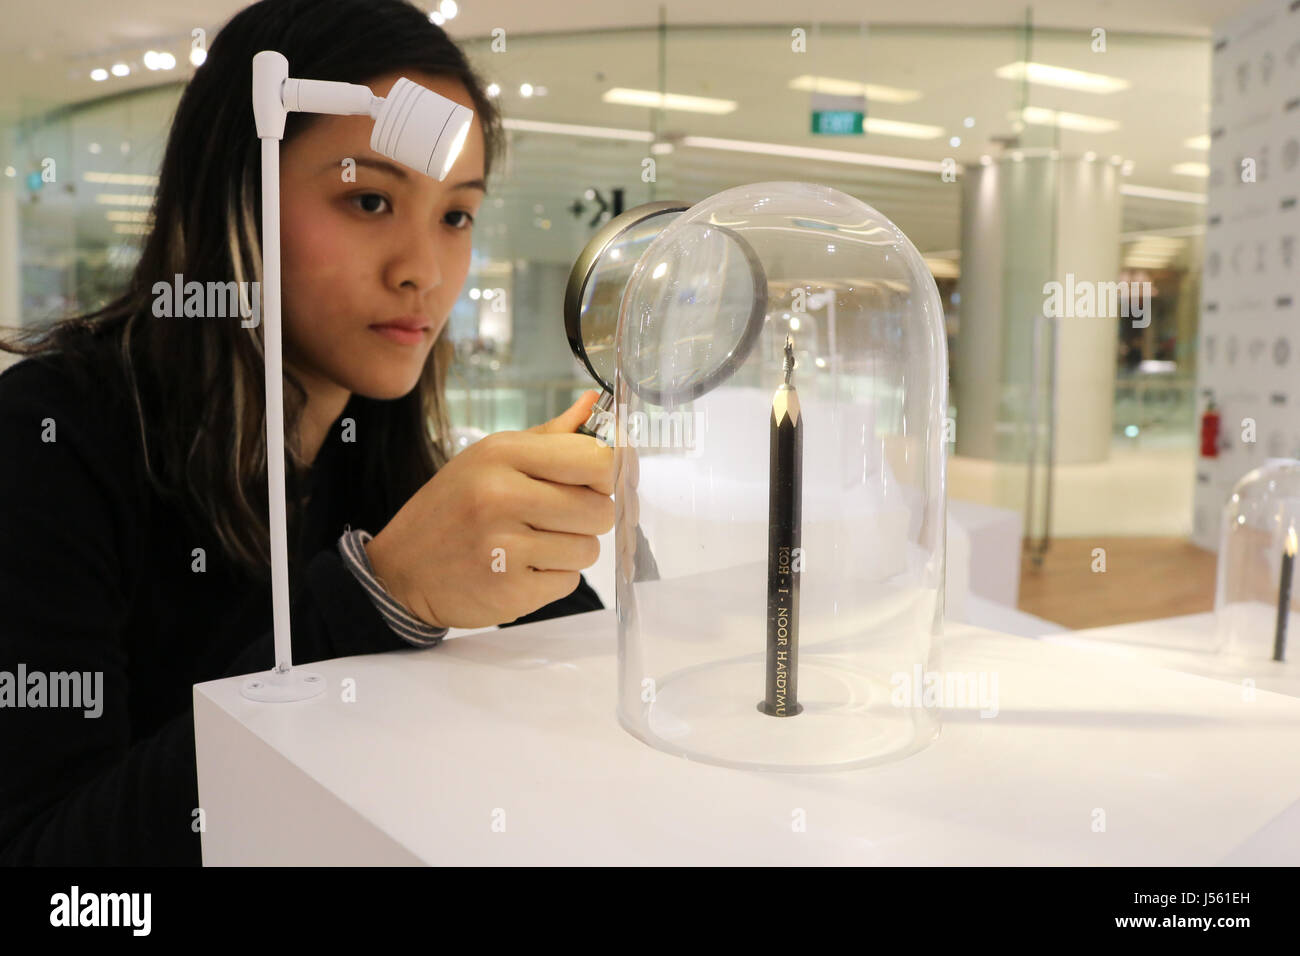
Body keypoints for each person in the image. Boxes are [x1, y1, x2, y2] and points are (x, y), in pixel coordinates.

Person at [0, 0, 614, 865]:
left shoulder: (376, 445)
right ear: (235, 198)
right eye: (368, 199)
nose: (424, 272)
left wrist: (553, 553)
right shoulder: (53, 438)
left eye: (457, 215)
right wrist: (381, 595)